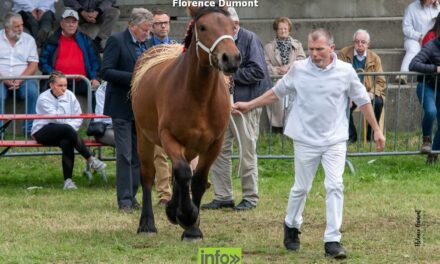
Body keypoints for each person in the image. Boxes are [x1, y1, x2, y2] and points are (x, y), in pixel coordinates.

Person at [233, 28, 385, 259]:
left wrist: (376, 130)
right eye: (311, 49)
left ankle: (332, 240)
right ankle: (291, 225)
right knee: (301, 188)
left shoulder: (345, 72)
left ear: (331, 49)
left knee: (335, 186)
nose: (314, 54)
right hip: (305, 138)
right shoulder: (299, 70)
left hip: (334, 139)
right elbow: (276, 92)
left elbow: (363, 100)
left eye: (319, 49)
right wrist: (249, 104)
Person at [201, 7, 271, 211]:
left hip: (246, 105)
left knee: (246, 150)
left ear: (236, 25)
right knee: (218, 151)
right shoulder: (219, 41)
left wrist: (230, 76)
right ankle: (223, 195)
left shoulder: (250, 39)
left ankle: (250, 196)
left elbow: (258, 71)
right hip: (222, 106)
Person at [101, 7, 154, 213]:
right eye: (144, 29)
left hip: (141, 110)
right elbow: (106, 71)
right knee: (125, 154)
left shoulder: (148, 43)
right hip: (121, 107)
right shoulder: (117, 41)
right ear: (132, 25)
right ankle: (124, 200)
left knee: (138, 154)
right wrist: (134, 78)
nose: (147, 34)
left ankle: (132, 197)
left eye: (149, 30)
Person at [31, 71, 107, 190]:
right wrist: (69, 127)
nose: (64, 89)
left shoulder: (70, 95)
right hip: (42, 131)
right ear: (51, 85)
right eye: (60, 86)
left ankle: (68, 181)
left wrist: (70, 128)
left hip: (65, 130)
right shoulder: (43, 98)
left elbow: (78, 116)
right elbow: (56, 119)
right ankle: (91, 159)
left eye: (65, 85)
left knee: (67, 142)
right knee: (66, 128)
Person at [39, 9, 101, 97]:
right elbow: (42, 62)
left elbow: (95, 61)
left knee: (99, 92)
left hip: (82, 81)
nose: (71, 25)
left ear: (77, 24)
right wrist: (54, 76)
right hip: (58, 83)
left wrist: (95, 78)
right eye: (68, 22)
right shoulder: (52, 40)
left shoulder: (85, 40)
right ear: (62, 24)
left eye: (74, 22)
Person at [338, 29, 385, 142]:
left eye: (363, 42)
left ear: (368, 44)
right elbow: (339, 76)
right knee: (342, 105)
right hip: (351, 91)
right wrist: (347, 94)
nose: (359, 45)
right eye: (357, 41)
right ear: (353, 42)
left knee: (378, 103)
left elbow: (381, 81)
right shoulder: (344, 53)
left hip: (368, 91)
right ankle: (351, 136)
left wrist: (372, 93)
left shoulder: (375, 58)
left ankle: (372, 134)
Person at [264, 17, 305, 132]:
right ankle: (278, 130)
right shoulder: (268, 47)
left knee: (293, 104)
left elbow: (302, 60)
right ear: (276, 30)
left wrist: (289, 67)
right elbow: (265, 65)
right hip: (276, 80)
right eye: (280, 28)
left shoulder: (297, 45)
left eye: (285, 28)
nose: (283, 31)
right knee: (278, 104)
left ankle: (292, 129)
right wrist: (278, 70)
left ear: (289, 30)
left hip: (294, 79)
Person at [0, 12, 39, 136]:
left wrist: (20, 79)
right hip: (0, 78)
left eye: (21, 25)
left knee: (33, 93)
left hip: (23, 78)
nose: (21, 28)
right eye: (17, 26)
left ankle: (29, 130)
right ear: (7, 28)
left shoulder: (29, 39)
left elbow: (33, 64)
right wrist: (4, 78)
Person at [409, 31, 440, 164]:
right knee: (431, 111)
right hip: (426, 85)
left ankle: (433, 154)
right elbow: (413, 65)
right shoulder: (431, 46)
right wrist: (435, 68)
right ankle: (427, 139)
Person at [398, 0, 440, 84]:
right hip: (414, 39)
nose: (432, 1)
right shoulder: (412, 8)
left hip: (433, 38)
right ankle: (403, 74)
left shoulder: (438, 6)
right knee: (414, 48)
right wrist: (419, 36)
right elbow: (406, 28)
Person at [92, 81, 114, 146]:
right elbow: (104, 117)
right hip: (105, 128)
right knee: (126, 143)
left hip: (124, 127)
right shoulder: (102, 89)